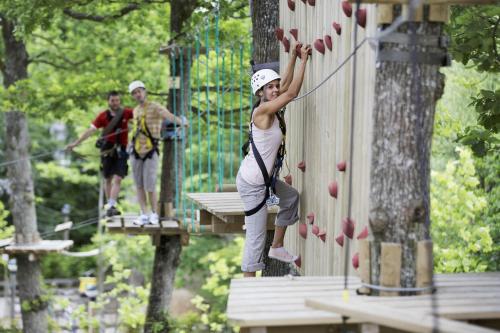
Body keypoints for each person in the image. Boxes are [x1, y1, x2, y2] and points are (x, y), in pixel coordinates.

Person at [236, 43, 311, 277]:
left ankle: (277, 247)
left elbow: (285, 86)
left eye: (275, 86)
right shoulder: (262, 112)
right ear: (260, 93)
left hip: (264, 179)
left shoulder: (271, 106)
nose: (275, 89)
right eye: (270, 88)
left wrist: (291, 59)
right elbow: (291, 93)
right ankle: (248, 282)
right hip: (253, 184)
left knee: (290, 198)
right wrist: (304, 61)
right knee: (256, 238)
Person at [128, 80, 188, 225]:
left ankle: (154, 214)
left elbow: (166, 114)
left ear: (144, 92)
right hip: (135, 151)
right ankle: (144, 213)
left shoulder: (154, 107)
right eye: (134, 93)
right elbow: (134, 130)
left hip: (150, 150)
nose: (138, 95)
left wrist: (181, 122)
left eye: (139, 91)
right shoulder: (135, 111)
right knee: (139, 185)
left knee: (150, 184)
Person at [66, 91, 133, 217]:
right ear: (108, 101)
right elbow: (90, 131)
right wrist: (76, 143)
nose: (115, 103)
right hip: (107, 149)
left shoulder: (126, 113)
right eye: (113, 100)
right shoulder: (102, 116)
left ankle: (112, 205)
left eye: (117, 100)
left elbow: (141, 116)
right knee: (108, 178)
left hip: (121, 149)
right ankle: (110, 205)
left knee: (118, 177)